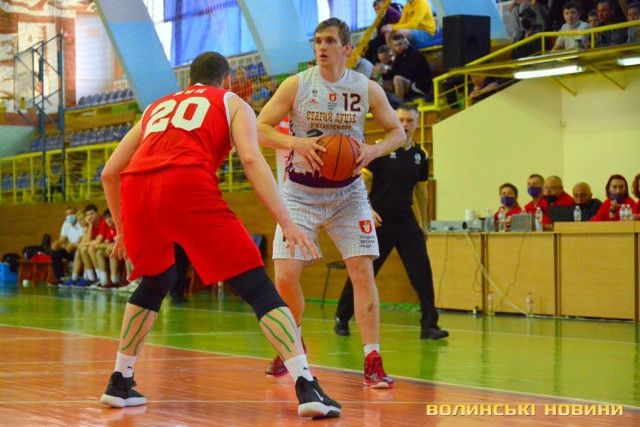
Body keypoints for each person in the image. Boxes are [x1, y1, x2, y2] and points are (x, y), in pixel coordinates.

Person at [98, 51, 341, 419]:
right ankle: (306, 385)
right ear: (227, 81)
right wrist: (287, 222)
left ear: (188, 81)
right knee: (258, 288)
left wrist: (122, 229)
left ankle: (119, 380)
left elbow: (109, 172)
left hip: (137, 192)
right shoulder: (232, 102)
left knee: (153, 282)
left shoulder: (154, 108)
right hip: (186, 183)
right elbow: (251, 160)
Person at [256, 18, 405, 389]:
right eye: (318, 41)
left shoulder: (365, 88)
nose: (321, 47)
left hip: (348, 193)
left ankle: (373, 358)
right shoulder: (297, 84)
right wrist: (296, 143)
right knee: (285, 276)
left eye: (330, 41)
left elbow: (398, 132)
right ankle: (293, 342)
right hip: (300, 192)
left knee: (362, 272)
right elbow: (260, 128)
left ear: (347, 49)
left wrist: (373, 150)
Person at [333, 104, 448, 340]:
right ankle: (342, 317)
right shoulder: (379, 150)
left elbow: (421, 190)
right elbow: (359, 183)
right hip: (379, 220)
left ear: (417, 124)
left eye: (409, 121)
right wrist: (367, 210)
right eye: (401, 120)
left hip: (406, 220)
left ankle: (429, 326)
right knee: (366, 272)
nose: (404, 125)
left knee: (422, 271)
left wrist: (424, 223)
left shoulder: (421, 155)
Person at [388, 33, 433, 102]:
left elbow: (407, 73)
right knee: (382, 83)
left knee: (397, 79)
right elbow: (394, 72)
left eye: (400, 44)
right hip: (410, 84)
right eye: (395, 45)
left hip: (420, 86)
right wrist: (382, 72)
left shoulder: (415, 54)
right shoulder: (399, 56)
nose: (398, 47)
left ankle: (398, 105)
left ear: (406, 43)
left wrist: (387, 71)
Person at [49, 207, 84, 286]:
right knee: (55, 252)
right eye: (67, 214)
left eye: (71, 213)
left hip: (78, 248)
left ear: (76, 214)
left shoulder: (80, 223)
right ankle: (60, 278)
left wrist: (72, 246)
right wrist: (56, 244)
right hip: (69, 248)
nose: (69, 216)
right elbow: (61, 239)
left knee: (77, 252)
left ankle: (77, 277)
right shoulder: (66, 223)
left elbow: (81, 240)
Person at [364, 0, 402, 64]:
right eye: (376, 10)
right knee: (368, 45)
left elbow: (391, 29)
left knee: (375, 44)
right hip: (383, 36)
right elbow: (379, 31)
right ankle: (369, 65)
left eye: (379, 8)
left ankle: (377, 63)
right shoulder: (381, 16)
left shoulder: (393, 14)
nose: (377, 11)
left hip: (393, 36)